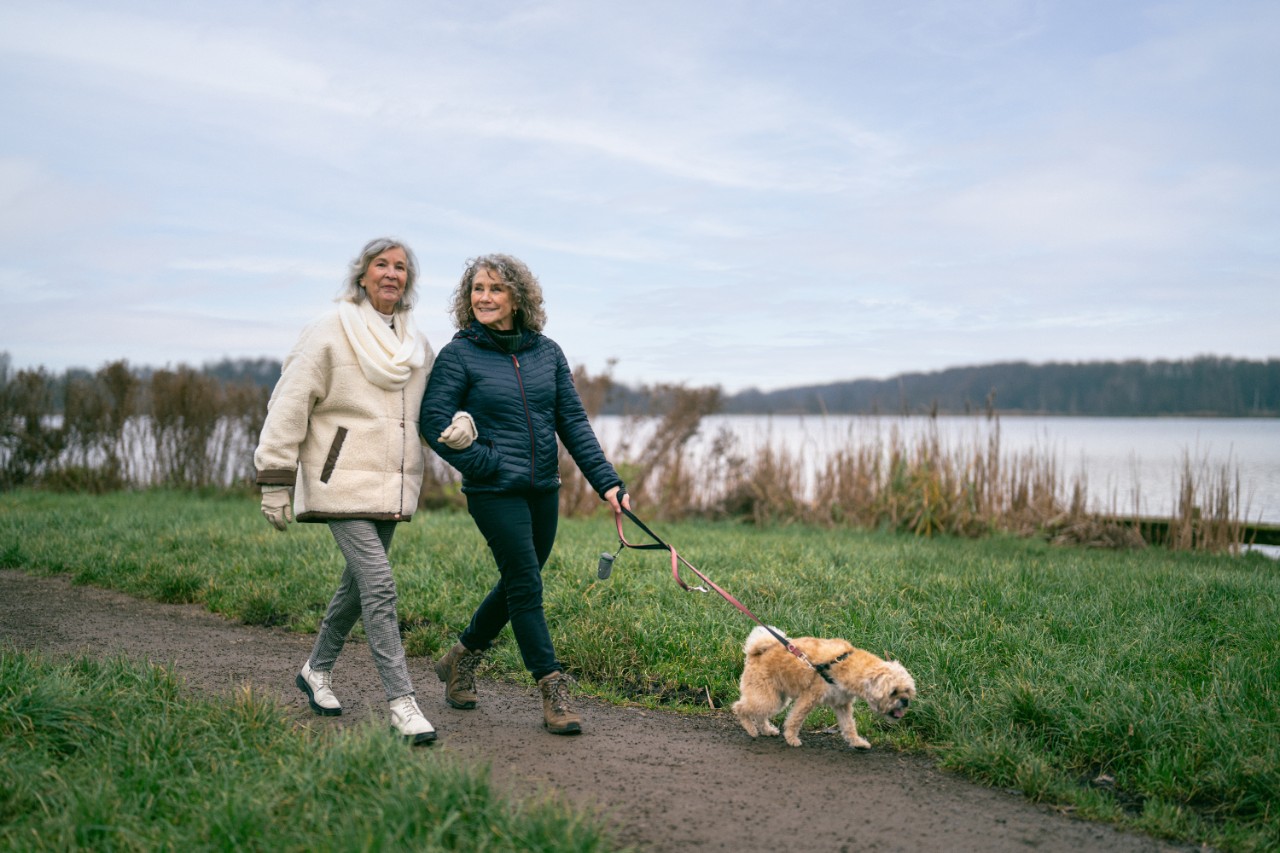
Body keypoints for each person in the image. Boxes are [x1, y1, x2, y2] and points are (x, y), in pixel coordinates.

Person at [254, 237, 473, 745]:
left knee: (356, 589)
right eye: (382, 264)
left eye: (401, 267)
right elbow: (288, 403)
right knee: (379, 585)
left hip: (391, 486)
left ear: (409, 281)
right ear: (362, 275)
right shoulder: (329, 332)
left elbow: (441, 406)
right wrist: (274, 479)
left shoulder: (416, 346)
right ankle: (402, 703)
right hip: (339, 482)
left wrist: (463, 422)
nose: (391, 273)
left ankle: (316, 669)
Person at [419, 253, 630, 735]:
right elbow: (433, 422)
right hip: (493, 491)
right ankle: (551, 686)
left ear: (517, 296)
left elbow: (572, 422)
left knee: (520, 580)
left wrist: (608, 483)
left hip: (542, 489)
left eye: (495, 289)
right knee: (527, 585)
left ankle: (460, 659)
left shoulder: (546, 352)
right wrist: (485, 463)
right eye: (477, 289)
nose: (484, 298)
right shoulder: (460, 355)